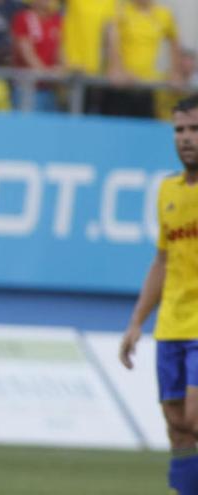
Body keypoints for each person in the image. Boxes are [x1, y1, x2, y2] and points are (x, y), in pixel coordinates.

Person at [119, 93, 198, 495]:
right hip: (172, 325)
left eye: (194, 129)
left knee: (196, 417)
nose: (186, 138)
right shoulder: (168, 191)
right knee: (177, 426)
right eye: (179, 130)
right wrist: (136, 322)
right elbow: (163, 262)